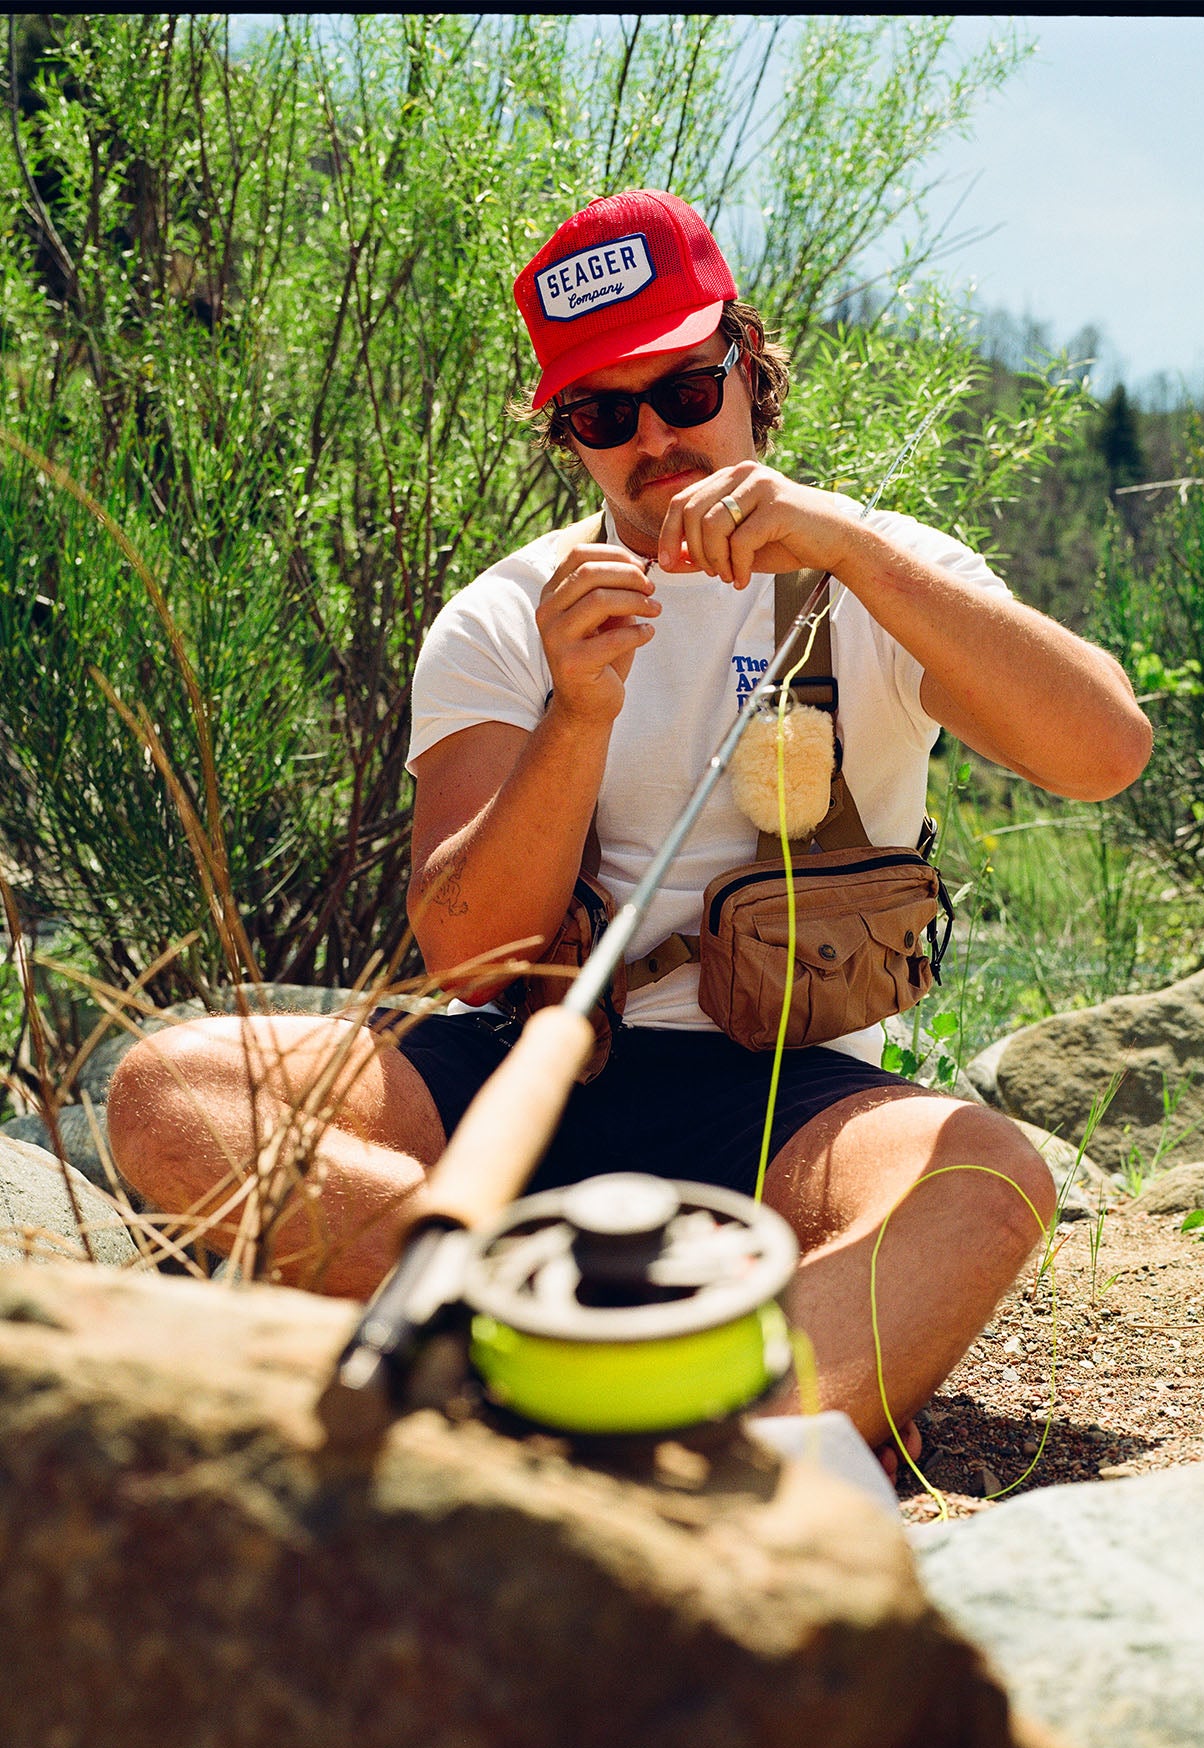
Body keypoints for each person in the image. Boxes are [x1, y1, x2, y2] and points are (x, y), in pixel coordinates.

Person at [108, 188, 1151, 1459]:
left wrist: (863, 557)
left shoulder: (889, 573)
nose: (655, 438)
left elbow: (1105, 752)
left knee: (986, 1184)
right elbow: (472, 957)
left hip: (788, 1101)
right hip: (522, 1063)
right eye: (605, 413)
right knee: (171, 1093)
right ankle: (619, 1355)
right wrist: (577, 710)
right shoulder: (504, 619)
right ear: (570, 437)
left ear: (751, 373)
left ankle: (636, 1419)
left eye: (685, 387)